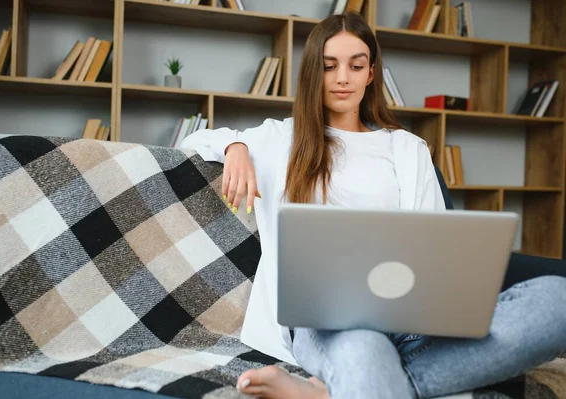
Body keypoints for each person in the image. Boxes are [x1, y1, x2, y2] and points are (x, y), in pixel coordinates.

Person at [180, 12, 566, 399]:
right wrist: (235, 147)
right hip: (327, 323)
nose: (343, 78)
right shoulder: (282, 139)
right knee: (364, 350)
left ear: (371, 73)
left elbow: (433, 246)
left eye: (356, 65)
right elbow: (193, 143)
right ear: (314, 72)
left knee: (557, 300)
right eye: (329, 66)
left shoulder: (407, 148)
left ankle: (336, 391)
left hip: (410, 320)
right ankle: (366, 379)